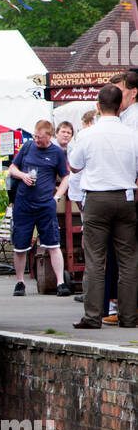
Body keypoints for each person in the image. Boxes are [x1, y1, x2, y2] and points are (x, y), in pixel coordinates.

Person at [67, 83, 138, 328]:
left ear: (98, 106)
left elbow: (74, 166)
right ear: (120, 106)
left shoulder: (88, 134)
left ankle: (93, 316)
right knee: (128, 259)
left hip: (96, 198)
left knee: (96, 259)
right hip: (126, 196)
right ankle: (129, 317)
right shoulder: (132, 134)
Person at [8, 119, 71, 296]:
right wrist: (22, 175)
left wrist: (57, 197)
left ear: (49, 136)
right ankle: (20, 282)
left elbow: (66, 176)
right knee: (20, 245)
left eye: (40, 138)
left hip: (45, 205)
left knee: (53, 244)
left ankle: (60, 283)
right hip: (24, 203)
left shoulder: (57, 153)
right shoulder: (27, 148)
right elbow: (12, 168)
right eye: (35, 136)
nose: (36, 140)